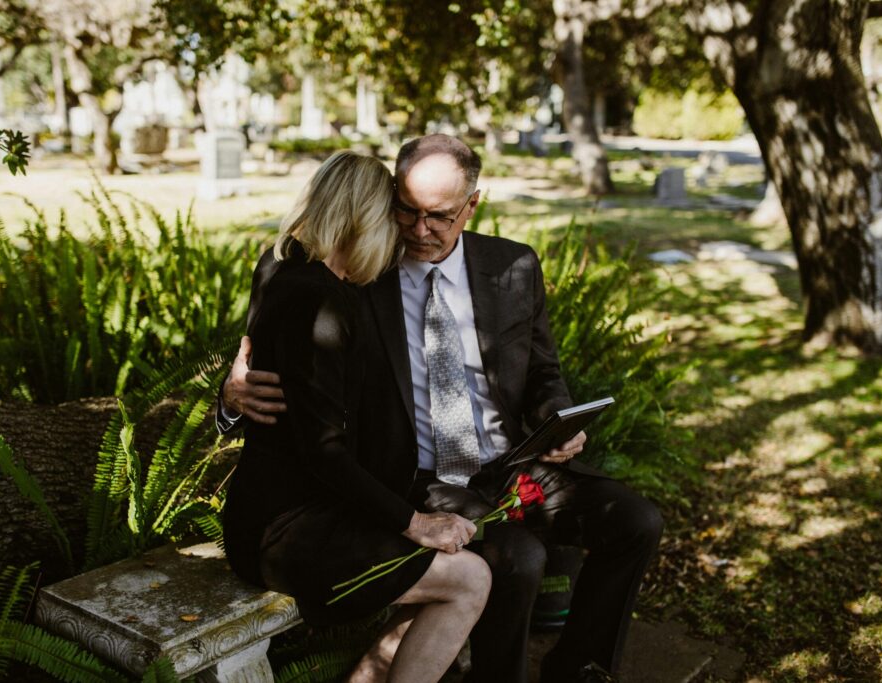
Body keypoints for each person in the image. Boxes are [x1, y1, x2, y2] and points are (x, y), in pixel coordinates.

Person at [221, 135, 663, 683]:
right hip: (420, 476)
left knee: (636, 521)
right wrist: (228, 395)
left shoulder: (513, 266)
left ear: (472, 204)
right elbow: (277, 353)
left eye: (439, 216)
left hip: (510, 460)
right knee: (517, 558)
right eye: (406, 211)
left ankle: (581, 668)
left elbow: (544, 371)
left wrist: (559, 418)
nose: (420, 230)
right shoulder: (359, 265)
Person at [221, 150, 492, 683]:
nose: (406, 233)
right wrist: (414, 523)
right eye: (395, 216)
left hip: (308, 510)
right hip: (291, 529)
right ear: (366, 216)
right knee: (469, 579)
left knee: (458, 571)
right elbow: (320, 446)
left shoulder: (290, 267)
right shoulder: (315, 300)